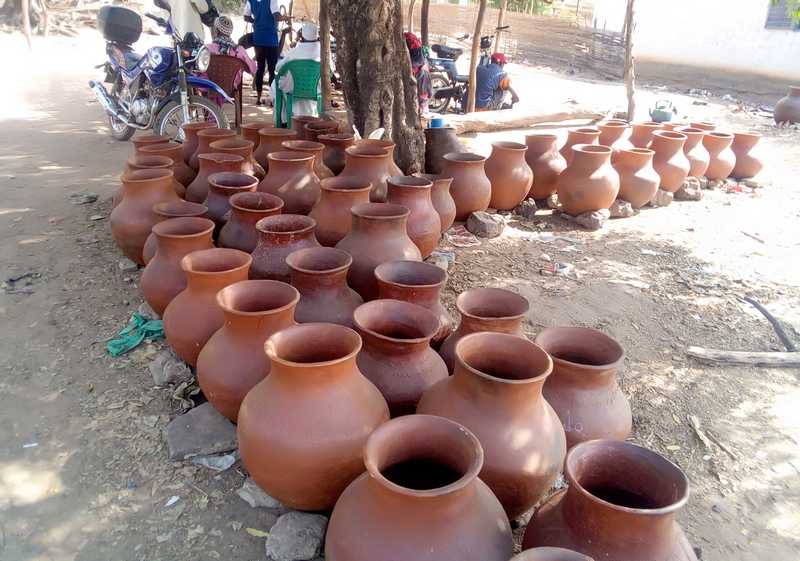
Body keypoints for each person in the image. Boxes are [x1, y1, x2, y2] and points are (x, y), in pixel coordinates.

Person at [269, 22, 321, 123]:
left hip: (294, 88)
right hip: (316, 88)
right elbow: (331, 71)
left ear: (302, 36)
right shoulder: (323, 52)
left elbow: (278, 67)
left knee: (276, 84)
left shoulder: (294, 52)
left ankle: (283, 119)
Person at [205, 16, 257, 105]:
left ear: (216, 31)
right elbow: (253, 69)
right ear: (230, 32)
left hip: (210, 86)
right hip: (231, 86)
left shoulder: (207, 48)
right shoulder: (239, 50)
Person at [244, 0, 283, 106]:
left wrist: (256, 21)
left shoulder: (251, 1)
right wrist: (285, 18)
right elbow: (276, 16)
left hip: (258, 39)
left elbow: (246, 17)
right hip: (271, 40)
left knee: (260, 68)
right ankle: (272, 99)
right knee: (272, 70)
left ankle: (258, 98)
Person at [404, 32, 433, 116]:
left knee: (421, 99)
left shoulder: (408, 41)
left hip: (420, 73)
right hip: (421, 71)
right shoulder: (410, 41)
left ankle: (422, 112)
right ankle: (422, 111)